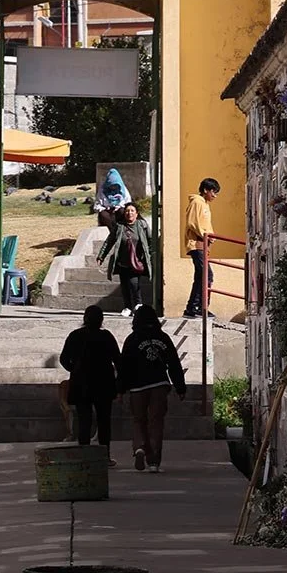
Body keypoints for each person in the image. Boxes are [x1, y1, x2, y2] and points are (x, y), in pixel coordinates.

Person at [117, 303, 186, 471]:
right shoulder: (163, 338)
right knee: (156, 422)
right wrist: (180, 387)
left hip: (137, 387)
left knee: (138, 420)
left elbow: (124, 366)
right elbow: (174, 364)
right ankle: (154, 461)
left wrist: (120, 389)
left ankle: (140, 447)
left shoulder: (132, 340)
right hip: (159, 385)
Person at [59, 303, 122, 455]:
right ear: (101, 320)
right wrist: (120, 384)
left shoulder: (75, 336)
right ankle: (105, 455)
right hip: (104, 383)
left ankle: (85, 455)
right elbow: (118, 361)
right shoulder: (106, 336)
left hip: (81, 383)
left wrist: (74, 370)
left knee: (84, 420)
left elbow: (63, 359)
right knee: (104, 421)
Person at [98, 200, 156, 315]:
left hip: (137, 261)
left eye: (132, 211)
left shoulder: (142, 225)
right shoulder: (119, 227)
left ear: (137, 213)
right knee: (124, 285)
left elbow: (150, 241)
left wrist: (150, 254)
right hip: (122, 262)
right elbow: (109, 241)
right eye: (127, 211)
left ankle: (138, 305)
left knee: (134, 284)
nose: (129, 213)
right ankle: (127, 307)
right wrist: (101, 255)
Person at [183, 177, 221, 317]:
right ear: (205, 190)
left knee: (201, 276)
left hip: (203, 244)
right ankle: (198, 306)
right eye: (213, 192)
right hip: (197, 243)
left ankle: (194, 306)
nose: (214, 196)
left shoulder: (205, 204)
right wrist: (206, 235)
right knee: (207, 275)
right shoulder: (197, 202)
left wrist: (211, 235)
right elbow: (193, 223)